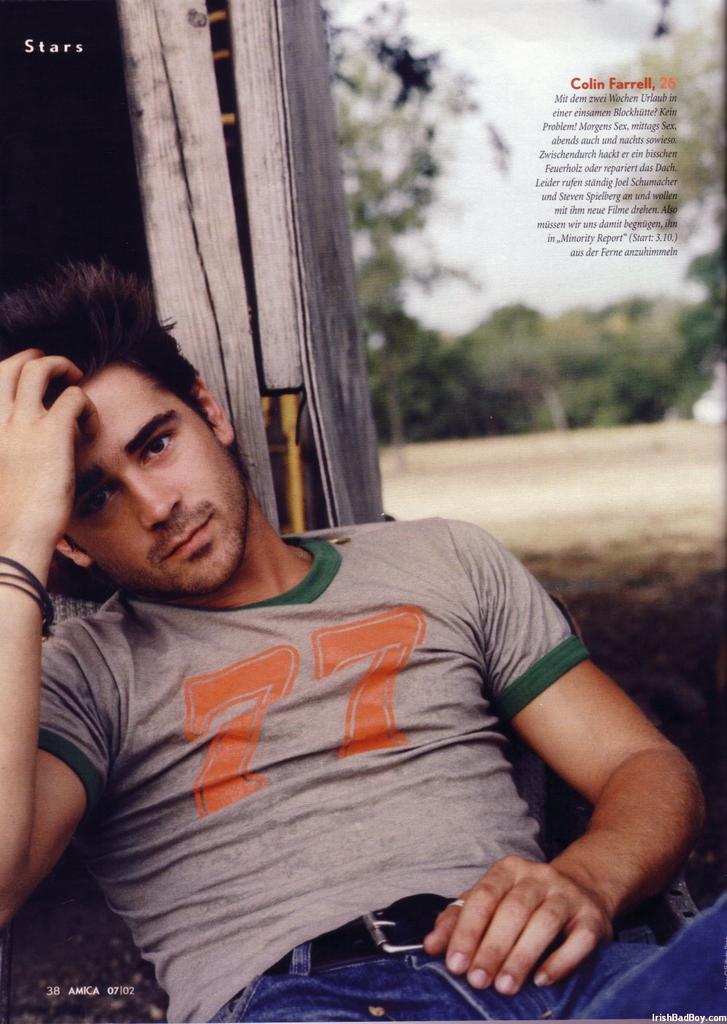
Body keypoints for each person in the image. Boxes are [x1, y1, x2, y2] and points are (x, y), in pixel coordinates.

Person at [0, 261, 713, 1023]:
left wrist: (588, 879)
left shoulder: (443, 557)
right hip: (303, 1000)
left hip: (556, 969)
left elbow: (639, 763)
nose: (156, 505)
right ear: (64, 538)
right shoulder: (81, 675)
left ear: (208, 410)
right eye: (94, 496)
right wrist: (17, 539)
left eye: (156, 445)